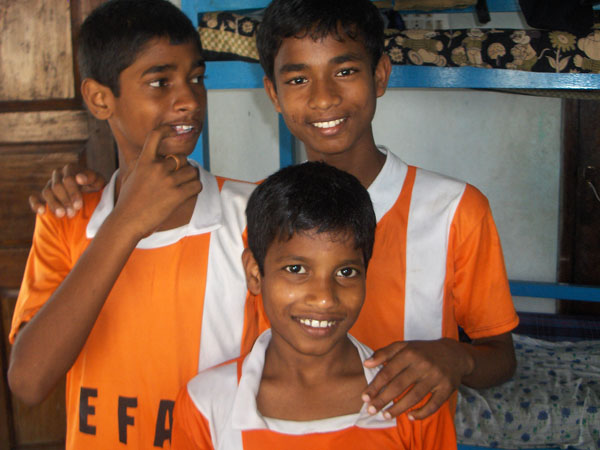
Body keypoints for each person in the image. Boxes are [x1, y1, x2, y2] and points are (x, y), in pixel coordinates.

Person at [30, 0, 519, 426]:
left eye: (345, 71)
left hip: (408, 434)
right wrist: (98, 195)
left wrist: (455, 357)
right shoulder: (261, 211)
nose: (324, 97)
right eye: (299, 79)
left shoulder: (455, 210)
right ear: (273, 95)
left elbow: (500, 357)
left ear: (380, 75)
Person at [8, 1, 259, 448]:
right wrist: (123, 224)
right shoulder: (67, 219)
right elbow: (28, 381)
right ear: (100, 99)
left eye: (196, 78)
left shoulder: (253, 215)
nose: (189, 100)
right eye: (160, 82)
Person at [171, 161, 457, 450]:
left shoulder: (411, 399)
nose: (324, 298)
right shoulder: (207, 406)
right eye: (296, 269)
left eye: (346, 272)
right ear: (255, 273)